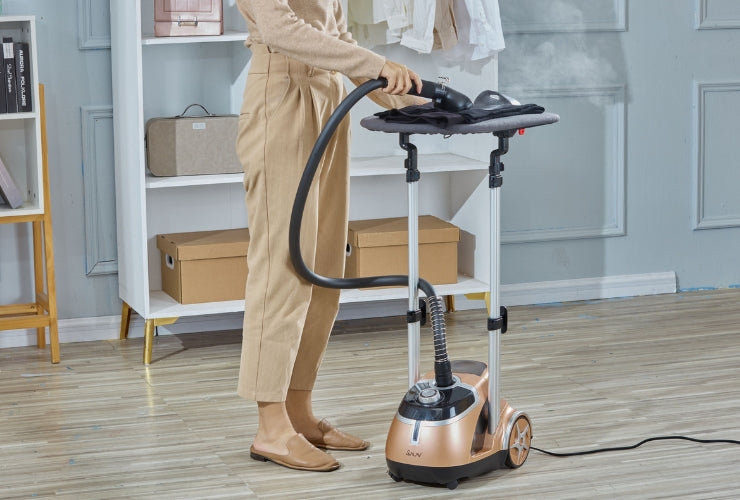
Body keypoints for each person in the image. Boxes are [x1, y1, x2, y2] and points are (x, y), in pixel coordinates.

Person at [235, 0, 425, 472]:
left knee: (322, 265)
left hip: (328, 94)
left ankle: (298, 410)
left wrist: (410, 97)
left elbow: (336, 36)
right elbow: (280, 27)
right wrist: (377, 66)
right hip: (280, 96)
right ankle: (270, 426)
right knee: (284, 266)